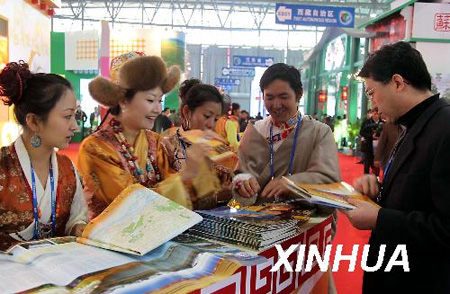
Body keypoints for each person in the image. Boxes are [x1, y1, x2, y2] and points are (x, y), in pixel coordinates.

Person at [343, 41, 450, 293]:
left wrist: (380, 219)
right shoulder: (413, 125)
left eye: (371, 93)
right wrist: (377, 192)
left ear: (398, 82)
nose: (373, 105)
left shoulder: (444, 128)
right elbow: (418, 195)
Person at [77, 53, 220, 218]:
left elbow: (184, 193)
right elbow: (129, 204)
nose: (158, 110)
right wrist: (187, 175)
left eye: (160, 101)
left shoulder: (155, 141)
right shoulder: (96, 148)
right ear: (123, 101)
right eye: (151, 100)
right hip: (109, 239)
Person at [0, 61, 88, 250]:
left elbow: (76, 218)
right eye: (67, 116)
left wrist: (77, 228)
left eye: (75, 115)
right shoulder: (2, 167)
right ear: (34, 122)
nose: (75, 126)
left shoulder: (67, 167)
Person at [231, 63, 341, 205]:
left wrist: (292, 183)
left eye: (283, 97)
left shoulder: (319, 132)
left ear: (299, 94)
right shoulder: (255, 130)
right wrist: (243, 184)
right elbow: (240, 173)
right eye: (269, 98)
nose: (276, 105)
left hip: (304, 222)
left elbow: (329, 179)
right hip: (259, 221)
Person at [159, 78, 234, 206]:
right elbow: (164, 198)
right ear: (187, 112)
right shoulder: (167, 145)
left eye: (216, 119)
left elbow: (228, 184)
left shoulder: (217, 146)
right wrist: (216, 197)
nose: (211, 124)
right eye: (206, 116)